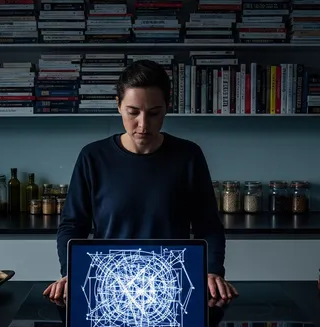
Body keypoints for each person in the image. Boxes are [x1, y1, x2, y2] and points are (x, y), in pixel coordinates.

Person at [43, 59, 239, 305]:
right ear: (118, 106)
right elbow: (73, 225)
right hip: (108, 285)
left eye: (154, 113)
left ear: (167, 108)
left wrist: (212, 270)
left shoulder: (189, 156)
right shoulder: (92, 157)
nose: (143, 125)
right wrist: (70, 271)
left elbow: (208, 225)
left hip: (174, 284)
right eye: (133, 112)